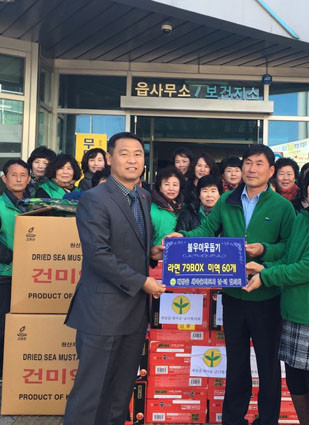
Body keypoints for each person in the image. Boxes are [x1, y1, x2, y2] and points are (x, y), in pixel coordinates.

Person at [172, 144, 296, 425]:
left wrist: (263, 250)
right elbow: (207, 230)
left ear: (271, 171)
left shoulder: (283, 207)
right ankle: (233, 419)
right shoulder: (227, 200)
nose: (251, 169)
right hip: (232, 295)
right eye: (248, 163)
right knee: (236, 363)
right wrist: (183, 237)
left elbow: (289, 247)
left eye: (259, 164)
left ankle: (267, 420)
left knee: (267, 365)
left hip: (267, 297)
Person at [63, 132, 165, 425]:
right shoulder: (94, 198)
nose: (132, 160)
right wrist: (142, 282)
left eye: (138, 154)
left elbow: (131, 245)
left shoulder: (143, 196)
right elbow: (98, 254)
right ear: (109, 159)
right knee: (90, 394)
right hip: (102, 313)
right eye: (124, 153)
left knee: (120, 395)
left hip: (134, 313)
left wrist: (152, 253)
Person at [243, 162, 309, 425]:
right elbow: (290, 257)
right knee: (295, 381)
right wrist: (264, 264)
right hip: (291, 311)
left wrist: (265, 276)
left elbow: (306, 269)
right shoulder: (303, 217)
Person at [0, 159, 30, 379]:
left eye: (23, 175)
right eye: (14, 175)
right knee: (4, 326)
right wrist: (11, 257)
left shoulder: (34, 205)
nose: (18, 179)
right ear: (4, 178)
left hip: (30, 276)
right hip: (5, 275)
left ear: (29, 179)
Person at [150, 166, 185, 246]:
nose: (171, 188)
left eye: (175, 185)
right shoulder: (151, 209)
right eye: (166, 184)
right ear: (160, 187)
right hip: (158, 252)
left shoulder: (184, 208)